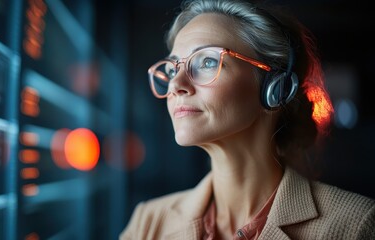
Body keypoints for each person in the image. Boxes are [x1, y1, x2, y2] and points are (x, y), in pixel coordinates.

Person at [120, 0, 375, 239]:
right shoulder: (147, 222)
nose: (175, 84)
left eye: (207, 61)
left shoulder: (355, 225)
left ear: (274, 88)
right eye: (173, 68)